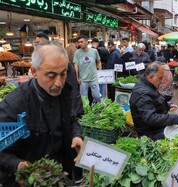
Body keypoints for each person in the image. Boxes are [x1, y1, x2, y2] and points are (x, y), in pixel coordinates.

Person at [0, 44, 83, 186]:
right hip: (29, 181)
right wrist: (16, 165)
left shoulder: (66, 93)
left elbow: (71, 119)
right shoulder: (14, 105)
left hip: (58, 175)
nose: (58, 83)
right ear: (34, 71)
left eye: (63, 74)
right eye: (51, 76)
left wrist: (76, 135)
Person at [129, 61, 178, 141]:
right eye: (160, 78)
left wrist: (166, 106)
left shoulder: (147, 83)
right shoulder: (143, 94)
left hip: (155, 127)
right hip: (149, 133)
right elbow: (150, 118)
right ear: (150, 77)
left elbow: (153, 102)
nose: (162, 81)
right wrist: (175, 119)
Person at [74, 35, 102, 103]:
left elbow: (98, 61)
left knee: (97, 96)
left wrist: (100, 72)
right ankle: (86, 111)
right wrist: (77, 77)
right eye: (79, 42)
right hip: (83, 80)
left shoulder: (94, 51)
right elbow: (76, 65)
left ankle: (97, 107)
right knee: (84, 99)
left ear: (86, 42)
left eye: (81, 42)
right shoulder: (77, 53)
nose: (80, 43)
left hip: (93, 79)